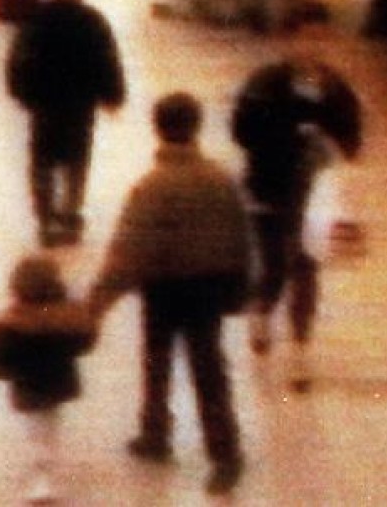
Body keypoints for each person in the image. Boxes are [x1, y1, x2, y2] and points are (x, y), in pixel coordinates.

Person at [89, 92, 249, 496]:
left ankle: (156, 433)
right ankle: (225, 454)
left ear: (158, 129)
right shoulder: (220, 179)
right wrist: (241, 288)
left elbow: (128, 249)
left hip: (163, 290)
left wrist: (97, 303)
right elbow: (241, 237)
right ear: (196, 126)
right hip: (208, 289)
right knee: (209, 369)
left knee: (156, 362)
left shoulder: (152, 186)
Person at [231, 60, 363, 357]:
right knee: (284, 266)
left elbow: (352, 138)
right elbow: (241, 131)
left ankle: (290, 338)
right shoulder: (272, 82)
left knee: (296, 265)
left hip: (294, 191)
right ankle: (273, 321)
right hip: (279, 188)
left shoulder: (330, 87)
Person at [5, 0, 125, 247]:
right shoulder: (92, 20)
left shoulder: (37, 17)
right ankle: (71, 216)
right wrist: (112, 94)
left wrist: (22, 93)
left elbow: (18, 60)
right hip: (79, 107)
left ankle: (46, 220)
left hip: (45, 106)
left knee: (43, 162)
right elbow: (107, 61)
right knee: (76, 162)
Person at [0, 255, 96, 504]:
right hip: (59, 384)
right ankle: (47, 473)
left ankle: (43, 479)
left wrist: (3, 371)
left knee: (36, 433)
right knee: (49, 429)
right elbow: (86, 340)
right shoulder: (66, 315)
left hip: (27, 386)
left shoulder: (13, 321)